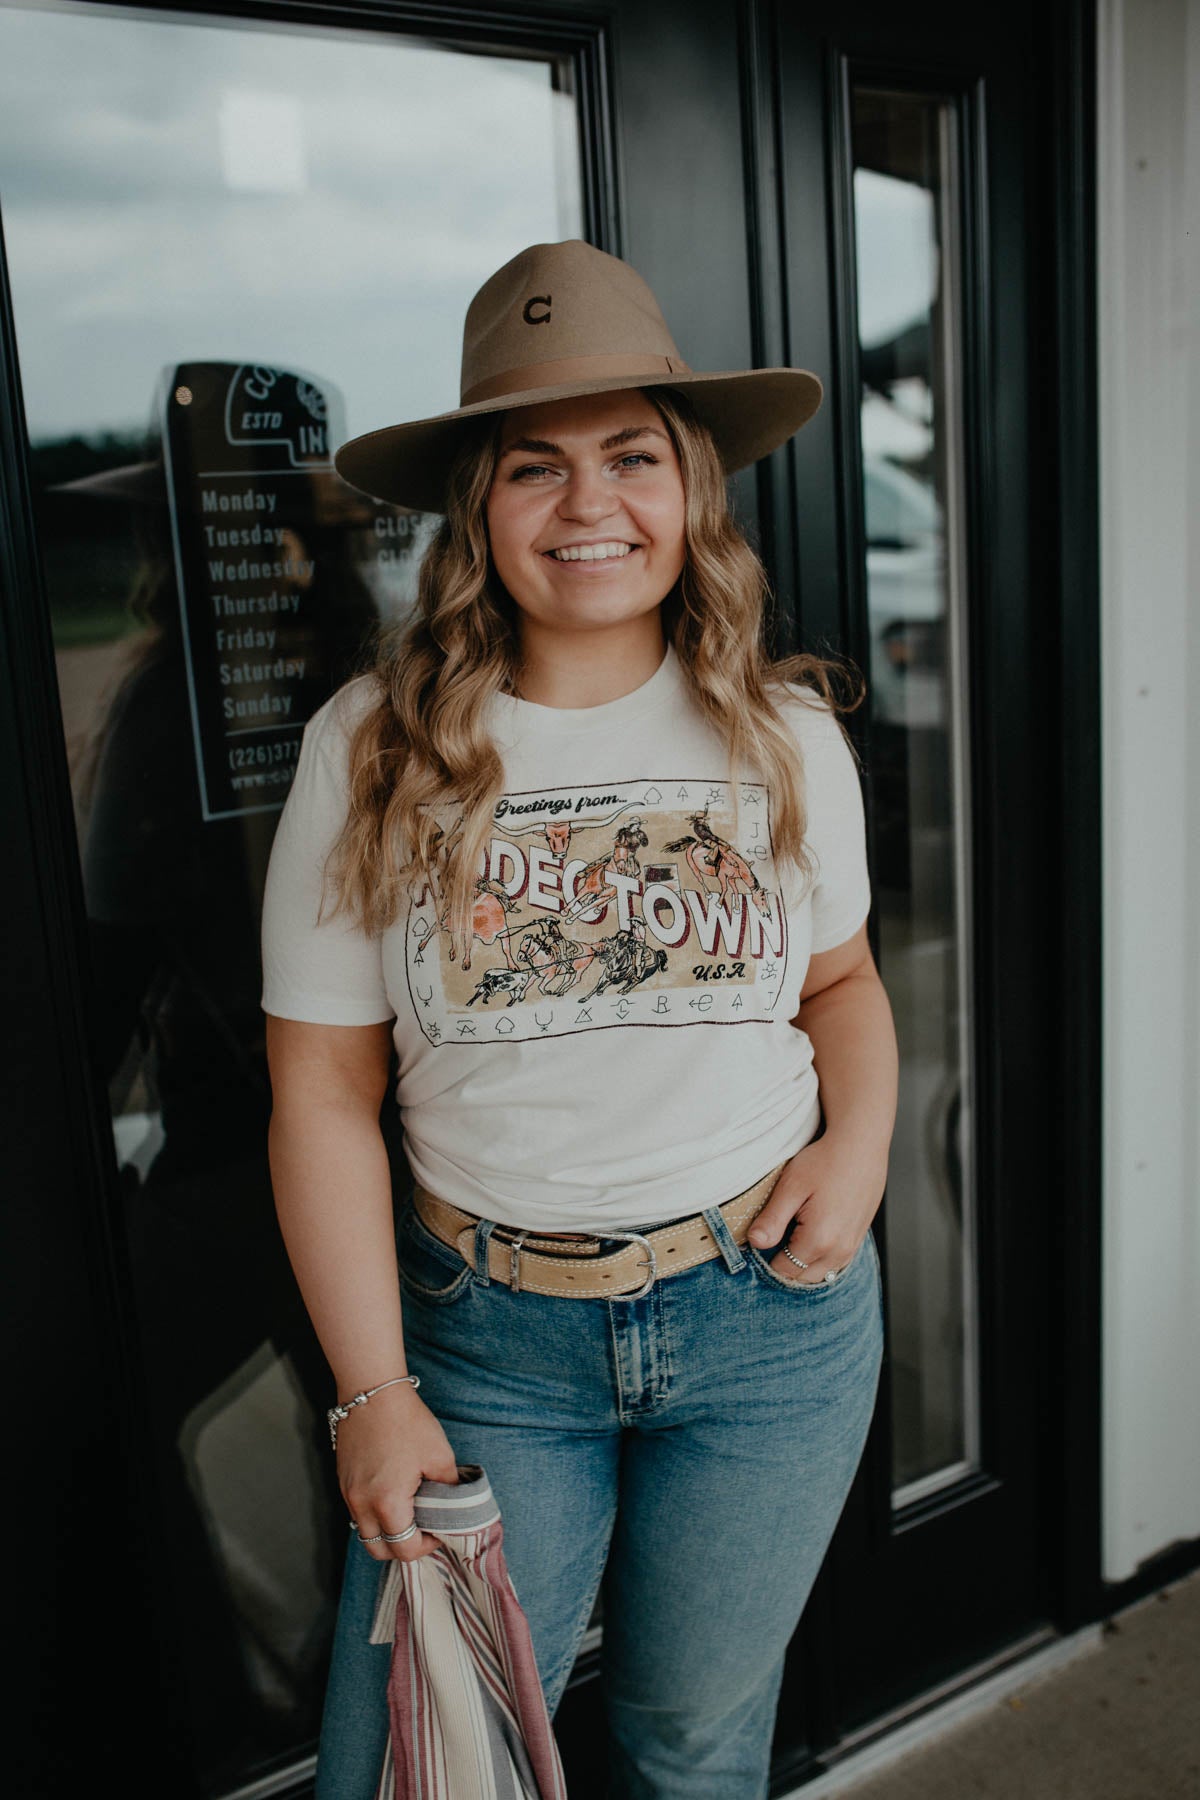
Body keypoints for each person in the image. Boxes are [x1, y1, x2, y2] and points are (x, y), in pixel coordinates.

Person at [260, 239, 899, 1800]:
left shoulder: (785, 726)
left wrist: (865, 1145)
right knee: (437, 1767)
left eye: (631, 456)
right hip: (488, 1351)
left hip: (771, 1327)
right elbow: (323, 1093)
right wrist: (372, 1391)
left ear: (690, 490)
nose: (588, 503)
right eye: (535, 466)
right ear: (480, 506)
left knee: (692, 1747)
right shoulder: (377, 743)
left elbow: (842, 984)